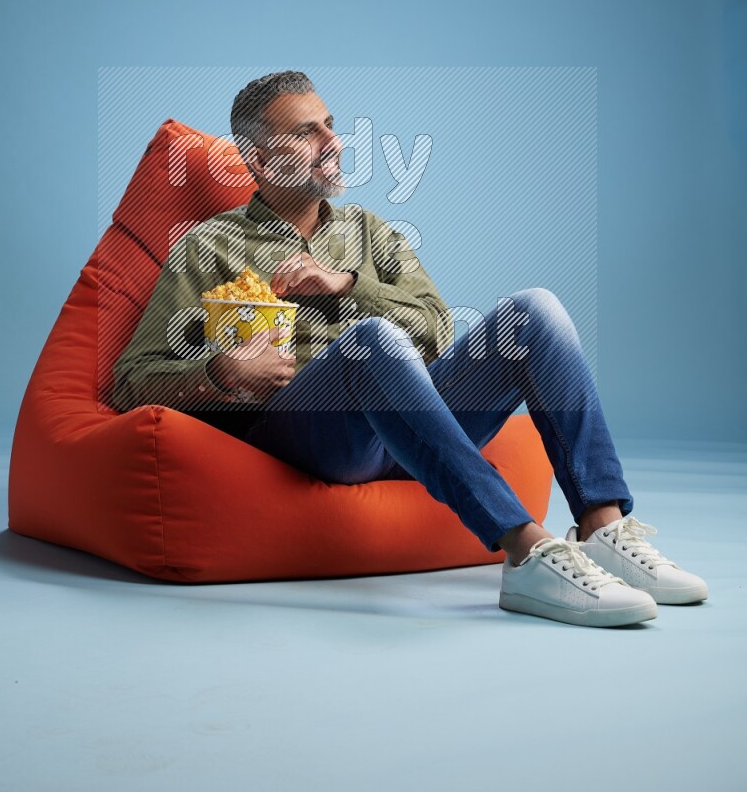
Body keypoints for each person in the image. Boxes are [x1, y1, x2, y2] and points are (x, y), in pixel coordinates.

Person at [112, 70, 708, 627]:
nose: (333, 141)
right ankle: (525, 553)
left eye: (329, 124)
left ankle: (603, 527)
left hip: (414, 426)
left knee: (536, 310)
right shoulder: (207, 247)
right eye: (306, 131)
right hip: (309, 434)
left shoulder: (370, 233)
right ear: (256, 157)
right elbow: (130, 381)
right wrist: (221, 370)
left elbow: (435, 329)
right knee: (371, 340)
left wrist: (345, 285)